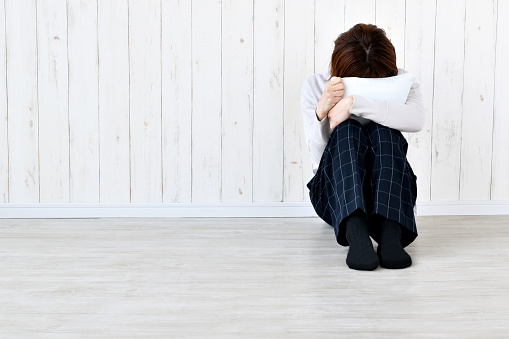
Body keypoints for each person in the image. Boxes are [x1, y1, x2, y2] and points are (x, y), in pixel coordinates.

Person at [301, 23, 425, 271]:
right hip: (334, 197)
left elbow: (416, 119)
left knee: (384, 129)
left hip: (390, 198)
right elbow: (317, 156)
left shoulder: (401, 81)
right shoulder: (316, 85)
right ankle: (356, 231)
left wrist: (355, 103)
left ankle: (391, 233)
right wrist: (322, 112)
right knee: (347, 130)